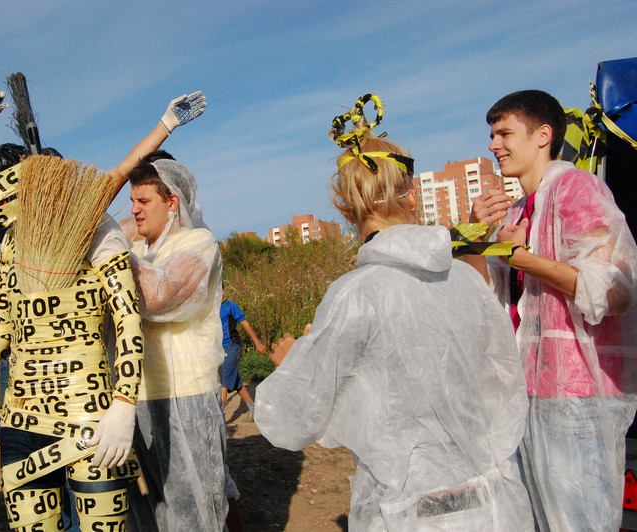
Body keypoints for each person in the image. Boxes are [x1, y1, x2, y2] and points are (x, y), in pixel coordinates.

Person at [253, 97, 534, 530]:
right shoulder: (464, 280)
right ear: (410, 193)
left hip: (412, 513)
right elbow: (502, 383)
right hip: (493, 505)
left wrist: (293, 361)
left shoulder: (355, 294)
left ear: (346, 209)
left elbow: (290, 421)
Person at [0, 155, 145, 531]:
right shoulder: (13, 243)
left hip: (89, 415)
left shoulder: (94, 227)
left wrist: (124, 402)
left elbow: (128, 316)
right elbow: (1, 326)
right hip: (21, 417)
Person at [467, 89, 637, 531]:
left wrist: (522, 258)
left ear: (543, 135)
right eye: (491, 135)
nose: (493, 145)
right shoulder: (521, 211)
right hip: (527, 397)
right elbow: (490, 306)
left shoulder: (575, 190)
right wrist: (474, 238)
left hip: (575, 398)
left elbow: (616, 290)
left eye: (504, 132)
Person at [123, 157, 228, 531]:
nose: (134, 210)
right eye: (132, 201)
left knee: (191, 509)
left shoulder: (198, 242)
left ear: (172, 203)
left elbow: (159, 296)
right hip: (134, 397)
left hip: (185, 395)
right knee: (146, 511)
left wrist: (114, 252)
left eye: (144, 201)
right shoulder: (138, 252)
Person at [220, 284, 267, 420]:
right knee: (235, 381)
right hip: (218, 349)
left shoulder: (230, 306)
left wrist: (257, 342)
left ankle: (220, 417)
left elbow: (244, 323)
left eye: (218, 290)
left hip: (232, 346)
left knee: (223, 380)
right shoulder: (210, 308)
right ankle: (252, 407)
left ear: (223, 291)